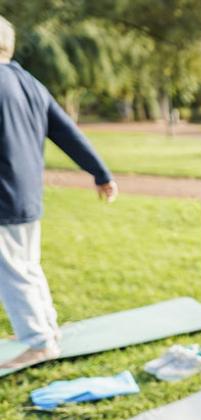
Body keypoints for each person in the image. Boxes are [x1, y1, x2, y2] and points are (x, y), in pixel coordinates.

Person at [0, 15, 118, 369]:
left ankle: (38, 342)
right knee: (28, 266)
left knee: (13, 271)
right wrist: (101, 172)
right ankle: (46, 329)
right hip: (27, 196)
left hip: (3, 197)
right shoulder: (31, 83)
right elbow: (68, 132)